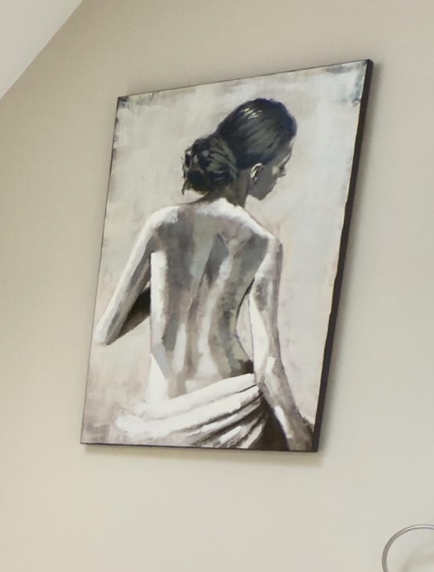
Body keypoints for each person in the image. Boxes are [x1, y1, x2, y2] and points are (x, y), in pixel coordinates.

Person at [92, 96, 316, 451]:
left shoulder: (161, 223)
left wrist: (168, 291)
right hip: (234, 407)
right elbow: (267, 363)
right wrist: (300, 439)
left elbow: (105, 333)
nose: (281, 176)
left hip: (159, 412)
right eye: (281, 166)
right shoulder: (262, 243)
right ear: (256, 171)